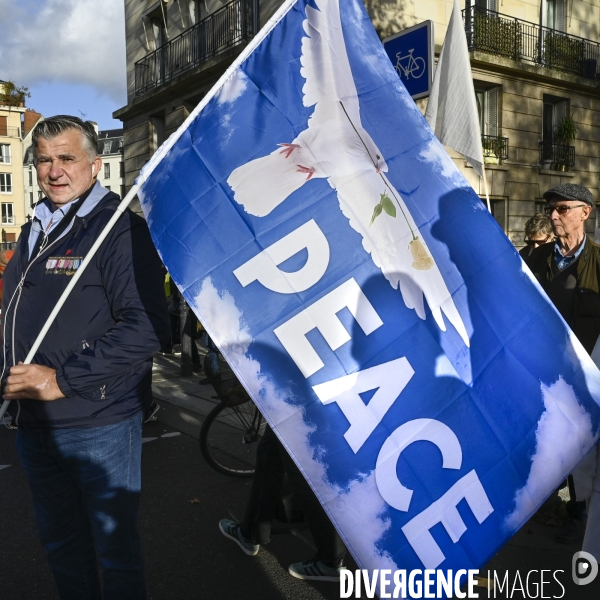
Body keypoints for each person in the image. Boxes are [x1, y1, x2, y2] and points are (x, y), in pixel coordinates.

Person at [1, 115, 170, 599]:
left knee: (114, 552)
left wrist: (63, 380)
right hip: (34, 423)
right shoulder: (37, 224)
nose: (54, 171)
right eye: (44, 160)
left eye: (67, 158)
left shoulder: (120, 230)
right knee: (60, 544)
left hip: (97, 421)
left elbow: (149, 328)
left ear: (95, 165)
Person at [525, 183, 600, 554]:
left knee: (581, 451)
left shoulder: (599, 263)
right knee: (540, 439)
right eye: (552, 208)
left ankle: (578, 513)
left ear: (585, 212)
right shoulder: (535, 260)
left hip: (585, 378)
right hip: (540, 372)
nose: (554, 215)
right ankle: (536, 503)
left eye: (563, 208)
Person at [219, 425, 347, 582]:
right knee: (271, 453)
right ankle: (250, 532)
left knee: (301, 475)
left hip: (295, 407)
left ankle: (330, 560)